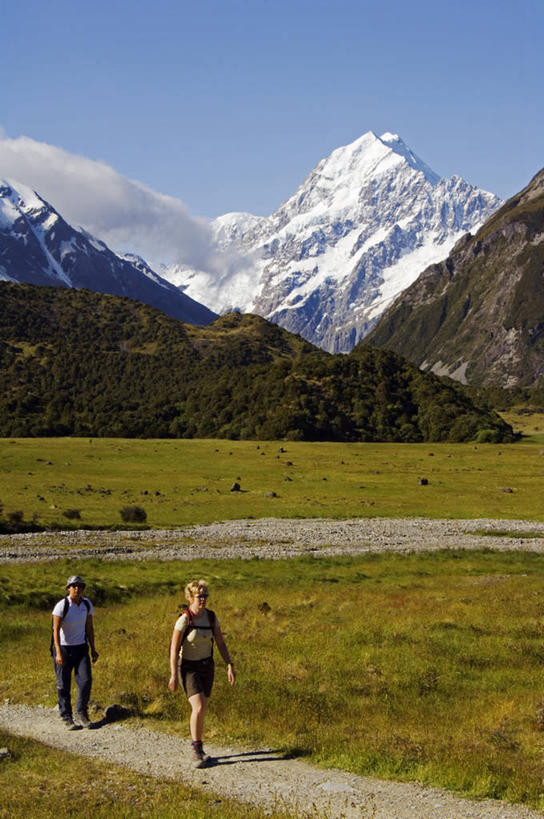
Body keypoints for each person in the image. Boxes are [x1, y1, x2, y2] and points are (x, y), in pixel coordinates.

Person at [168, 579, 235, 767]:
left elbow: (220, 643)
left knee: (202, 707)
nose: (203, 599)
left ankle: (199, 747)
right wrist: (173, 675)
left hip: (207, 666)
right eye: (199, 596)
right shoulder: (184, 620)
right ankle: (196, 750)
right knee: (197, 706)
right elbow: (174, 649)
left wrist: (229, 665)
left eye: (205, 595)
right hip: (188, 668)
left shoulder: (211, 618)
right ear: (190, 598)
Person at [52, 575, 99, 730]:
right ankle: (66, 717)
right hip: (64, 649)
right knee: (63, 684)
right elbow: (55, 630)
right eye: (74, 586)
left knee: (85, 680)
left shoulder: (86, 604)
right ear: (68, 588)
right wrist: (58, 653)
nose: (77, 589)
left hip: (81, 648)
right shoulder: (62, 606)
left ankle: (82, 712)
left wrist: (93, 648)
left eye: (80, 586)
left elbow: (89, 627)